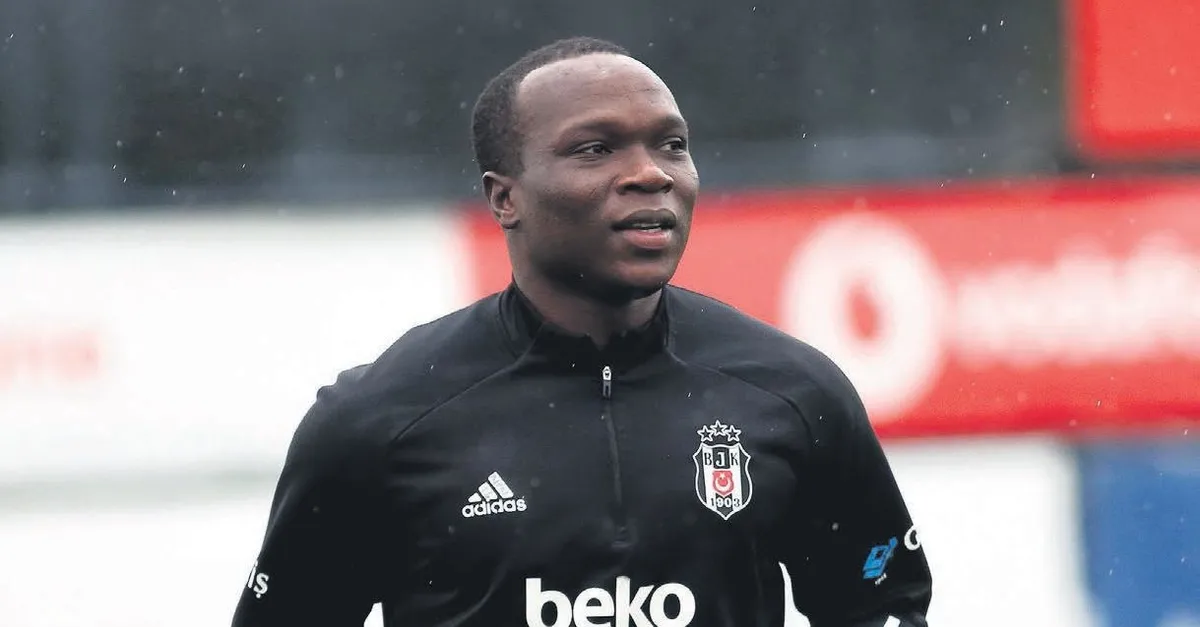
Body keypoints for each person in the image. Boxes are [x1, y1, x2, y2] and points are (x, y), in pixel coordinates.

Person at [232, 36, 933, 627]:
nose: (650, 174)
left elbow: (883, 604)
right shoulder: (379, 420)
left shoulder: (794, 393)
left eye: (672, 145)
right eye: (596, 149)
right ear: (505, 196)